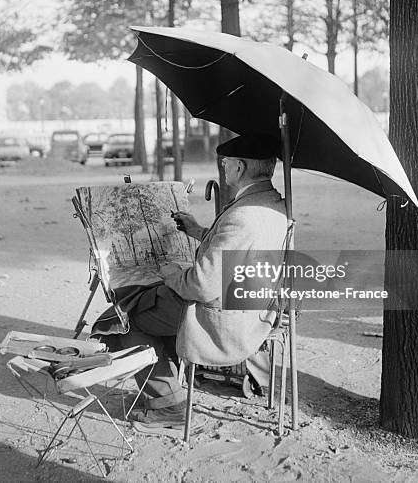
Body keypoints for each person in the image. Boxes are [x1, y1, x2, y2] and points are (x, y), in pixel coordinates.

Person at [95, 134, 288, 432]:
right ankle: (171, 386)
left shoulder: (242, 215)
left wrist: (169, 271)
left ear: (239, 167)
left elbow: (202, 286)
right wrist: (199, 231)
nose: (223, 168)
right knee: (148, 302)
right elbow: (242, 247)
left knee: (126, 317)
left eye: (225, 163)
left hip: (223, 318)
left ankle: (167, 406)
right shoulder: (273, 203)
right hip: (253, 306)